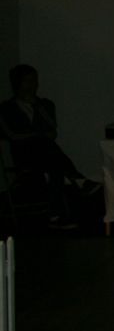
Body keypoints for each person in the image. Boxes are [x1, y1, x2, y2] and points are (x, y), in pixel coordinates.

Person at [1, 63, 99, 224]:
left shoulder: (45, 105)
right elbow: (12, 135)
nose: (33, 85)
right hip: (24, 155)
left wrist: (37, 107)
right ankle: (77, 179)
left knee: (54, 164)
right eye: (28, 81)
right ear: (18, 83)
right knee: (44, 146)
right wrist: (36, 135)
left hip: (46, 155)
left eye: (35, 80)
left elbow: (52, 131)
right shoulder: (6, 108)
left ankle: (56, 214)